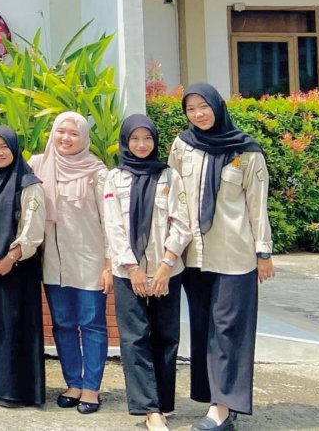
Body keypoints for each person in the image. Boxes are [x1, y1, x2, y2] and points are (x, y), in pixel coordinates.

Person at [171, 84, 274, 431]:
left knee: (229, 331)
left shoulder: (246, 151)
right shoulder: (182, 146)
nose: (198, 114)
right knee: (204, 329)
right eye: (191, 109)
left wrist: (263, 252)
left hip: (235, 256)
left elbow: (257, 206)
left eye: (204, 106)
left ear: (218, 106)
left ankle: (223, 409)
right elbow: (170, 198)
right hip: (193, 257)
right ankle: (214, 397)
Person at [106, 114, 193, 431]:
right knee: (135, 339)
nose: (141, 144)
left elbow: (181, 222)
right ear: (125, 141)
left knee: (166, 336)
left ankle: (163, 403)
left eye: (147, 138)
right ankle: (149, 409)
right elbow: (113, 226)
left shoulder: (169, 176)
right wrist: (133, 269)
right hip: (128, 272)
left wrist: (165, 266)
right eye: (135, 139)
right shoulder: (114, 178)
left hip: (166, 269)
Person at [31, 111, 112, 414]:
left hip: (90, 261)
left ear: (84, 137)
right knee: (63, 324)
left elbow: (110, 221)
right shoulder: (38, 165)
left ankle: (91, 388)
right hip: (54, 263)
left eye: (74, 133)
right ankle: (73, 383)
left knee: (92, 324)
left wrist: (109, 264)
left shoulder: (97, 173)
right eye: (60, 131)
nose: (65, 138)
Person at [0, 126, 47, 409]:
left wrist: (12, 256)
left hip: (18, 267)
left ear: (15, 149)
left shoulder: (28, 182)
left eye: (4, 147)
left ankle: (16, 391)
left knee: (16, 327)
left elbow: (33, 228)